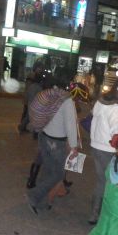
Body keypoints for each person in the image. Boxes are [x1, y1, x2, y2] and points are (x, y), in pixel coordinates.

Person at [26, 79, 79, 214]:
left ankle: (42, 202)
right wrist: (73, 146)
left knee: (48, 171)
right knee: (57, 174)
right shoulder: (66, 100)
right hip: (57, 143)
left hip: (44, 137)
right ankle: (34, 195)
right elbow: (70, 124)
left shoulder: (49, 94)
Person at [88, 80, 118, 224]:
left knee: (102, 181)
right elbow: (116, 129)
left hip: (96, 146)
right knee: (112, 183)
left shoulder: (101, 102)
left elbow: (94, 115)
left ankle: (94, 213)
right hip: (109, 149)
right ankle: (105, 214)